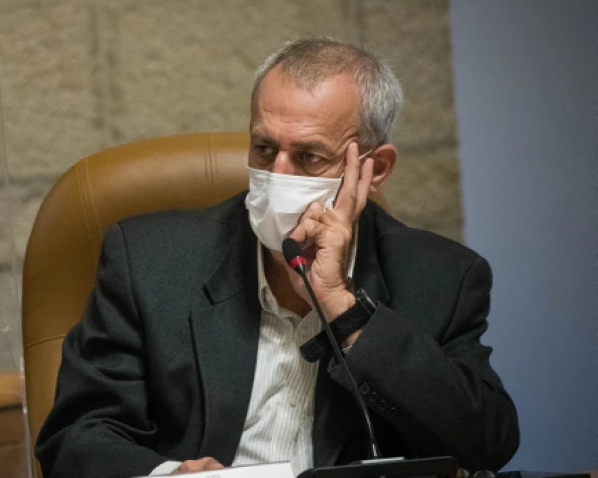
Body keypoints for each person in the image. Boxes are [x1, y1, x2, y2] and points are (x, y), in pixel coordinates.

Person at [35, 38, 520, 478]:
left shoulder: (441, 276)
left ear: (374, 169)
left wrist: (343, 308)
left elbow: (487, 443)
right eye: (264, 148)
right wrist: (168, 477)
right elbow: (76, 437)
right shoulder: (148, 260)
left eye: (309, 157)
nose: (277, 176)